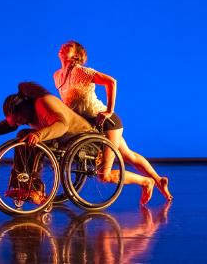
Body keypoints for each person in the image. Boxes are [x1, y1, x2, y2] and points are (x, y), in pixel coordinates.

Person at [0, 82, 155, 204]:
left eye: (20, 118)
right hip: (63, 140)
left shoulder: (43, 103)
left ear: (24, 107)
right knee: (22, 134)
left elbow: (62, 125)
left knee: (106, 174)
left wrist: (39, 134)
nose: (20, 121)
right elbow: (8, 125)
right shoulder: (26, 113)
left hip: (84, 140)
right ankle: (24, 185)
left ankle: (146, 181)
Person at [53, 40, 172, 204]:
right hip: (92, 126)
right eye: (63, 46)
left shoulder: (81, 72)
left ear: (77, 55)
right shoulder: (57, 75)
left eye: (69, 47)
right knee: (129, 155)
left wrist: (109, 110)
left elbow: (111, 82)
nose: (63, 47)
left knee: (104, 175)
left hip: (108, 123)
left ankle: (146, 181)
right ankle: (159, 180)